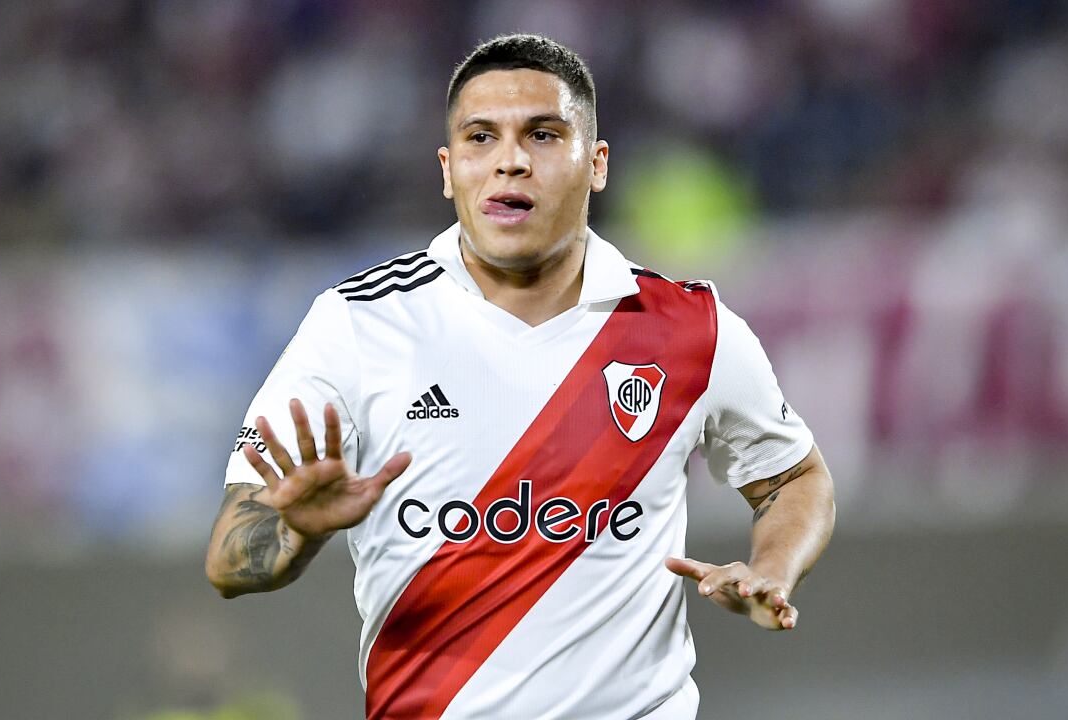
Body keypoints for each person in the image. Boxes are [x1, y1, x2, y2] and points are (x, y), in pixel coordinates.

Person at [205, 33, 835, 720]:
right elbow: (232, 559)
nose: (509, 161)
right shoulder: (356, 326)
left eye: (541, 135)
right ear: (448, 171)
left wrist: (772, 570)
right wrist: (295, 531)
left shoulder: (691, 328)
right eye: (481, 138)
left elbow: (795, 477)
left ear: (596, 164)